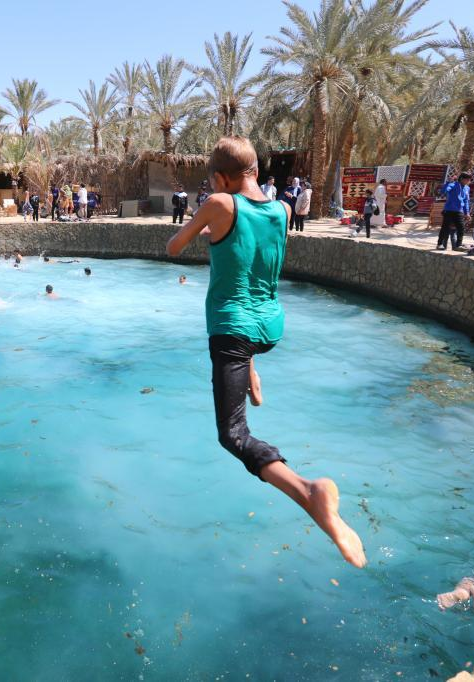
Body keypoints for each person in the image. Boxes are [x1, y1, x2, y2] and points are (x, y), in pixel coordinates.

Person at [166, 135, 366, 568]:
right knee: (244, 338)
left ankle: (309, 491)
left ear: (221, 178)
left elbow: (173, 247)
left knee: (233, 435)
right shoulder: (283, 209)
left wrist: (204, 226)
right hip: (270, 327)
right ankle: (251, 374)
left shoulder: (219, 203)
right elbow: (252, 251)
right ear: (256, 170)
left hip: (232, 329)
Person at [437, 172, 472, 251]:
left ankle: (458, 245)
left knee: (461, 228)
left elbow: (466, 201)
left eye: (469, 180)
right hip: (449, 210)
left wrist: (467, 213)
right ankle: (439, 244)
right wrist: (448, 183)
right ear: (462, 179)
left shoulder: (467, 188)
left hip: (459, 211)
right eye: (467, 179)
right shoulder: (453, 185)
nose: (469, 181)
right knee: (445, 228)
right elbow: (444, 191)